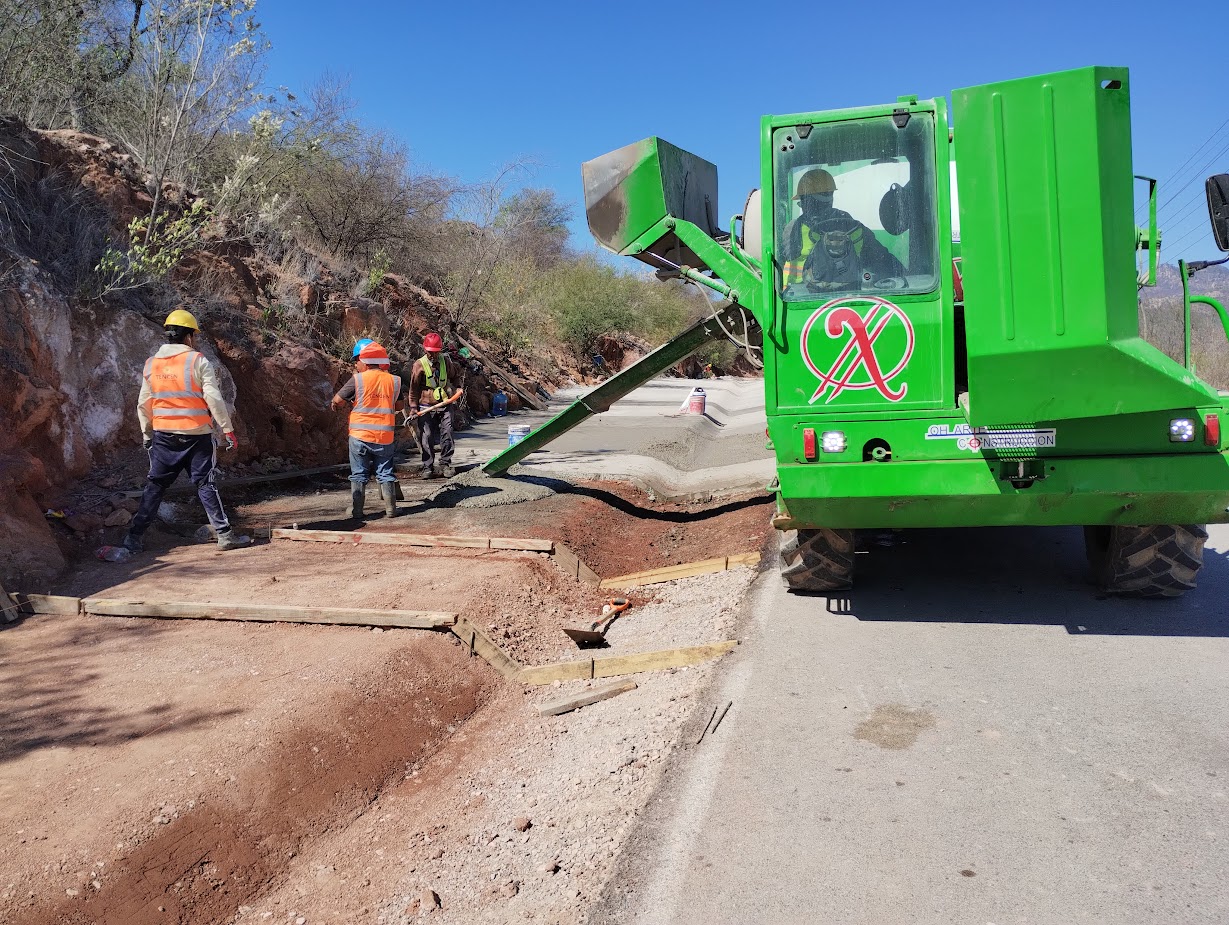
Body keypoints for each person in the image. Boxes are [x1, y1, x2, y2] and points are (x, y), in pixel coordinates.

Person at [122, 309, 251, 553]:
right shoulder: (198, 361)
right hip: (197, 436)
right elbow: (214, 399)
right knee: (205, 483)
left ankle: (134, 538)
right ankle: (225, 535)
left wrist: (147, 434)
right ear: (190, 336)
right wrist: (227, 429)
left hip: (164, 436)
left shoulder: (151, 364)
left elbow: (144, 403)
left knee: (155, 485)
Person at [781, 167, 905, 289]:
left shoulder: (792, 229)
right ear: (830, 197)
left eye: (802, 202)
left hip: (801, 295)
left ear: (807, 201)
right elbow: (882, 259)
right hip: (846, 295)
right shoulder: (852, 226)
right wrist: (907, 275)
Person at [331, 339, 404, 518]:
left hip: (360, 436)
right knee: (385, 473)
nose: (356, 365)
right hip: (384, 437)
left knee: (358, 474)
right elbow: (399, 406)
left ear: (365, 361)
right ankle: (391, 509)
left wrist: (342, 404)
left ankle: (357, 510)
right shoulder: (394, 381)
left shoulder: (358, 379)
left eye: (357, 361)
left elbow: (337, 401)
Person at [408, 332, 464, 479]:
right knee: (426, 435)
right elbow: (413, 389)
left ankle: (445, 464)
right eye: (430, 352)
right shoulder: (419, 365)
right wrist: (413, 407)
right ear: (425, 350)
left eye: (436, 352)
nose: (433, 355)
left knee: (447, 432)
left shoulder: (445, 362)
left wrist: (458, 387)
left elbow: (455, 376)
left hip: (445, 404)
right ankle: (428, 466)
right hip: (425, 406)